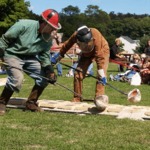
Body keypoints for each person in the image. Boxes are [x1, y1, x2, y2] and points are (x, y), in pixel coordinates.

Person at [0, 9, 61, 115]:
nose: (52, 30)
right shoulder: (23, 25)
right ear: (44, 23)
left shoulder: (47, 38)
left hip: (30, 57)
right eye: (51, 26)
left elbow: (45, 55)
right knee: (17, 79)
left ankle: (31, 103)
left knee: (44, 78)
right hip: (13, 55)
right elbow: (4, 39)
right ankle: (1, 103)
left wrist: (49, 71)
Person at [52, 25, 110, 103]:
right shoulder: (75, 36)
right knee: (78, 73)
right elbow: (66, 45)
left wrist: (102, 74)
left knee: (100, 75)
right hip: (86, 53)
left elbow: (100, 57)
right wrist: (58, 56)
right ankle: (77, 97)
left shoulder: (96, 34)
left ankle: (99, 98)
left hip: (102, 50)